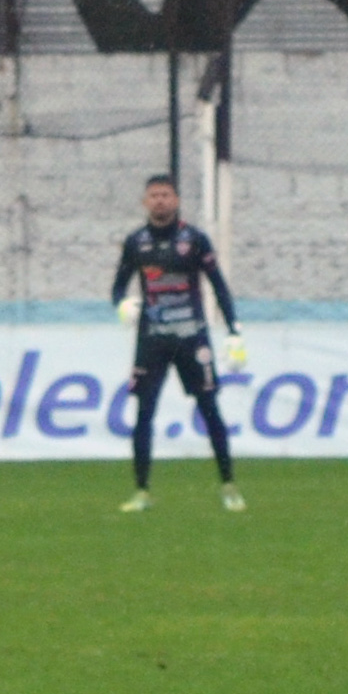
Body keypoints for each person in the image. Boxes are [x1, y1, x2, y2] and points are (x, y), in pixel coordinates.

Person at [110, 172, 246, 512]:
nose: (160, 200)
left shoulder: (194, 240)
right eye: (154, 195)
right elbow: (118, 287)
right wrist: (123, 305)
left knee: (209, 408)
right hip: (152, 340)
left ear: (177, 200)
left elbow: (218, 286)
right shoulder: (135, 242)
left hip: (191, 337)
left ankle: (229, 485)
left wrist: (233, 331)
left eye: (166, 195)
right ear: (145, 201)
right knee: (144, 412)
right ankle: (142, 491)